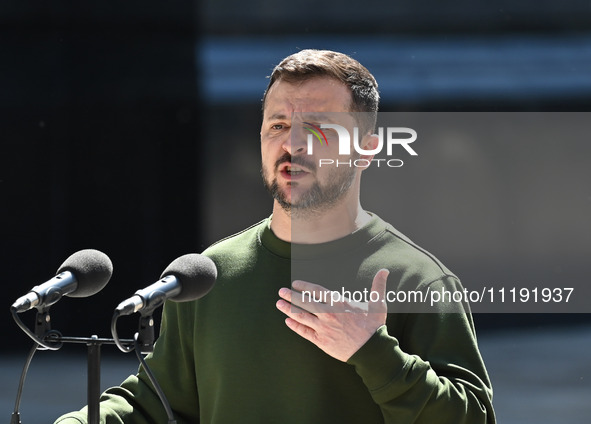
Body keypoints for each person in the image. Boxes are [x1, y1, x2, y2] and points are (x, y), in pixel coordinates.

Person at [55, 49, 495, 423]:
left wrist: (373, 351)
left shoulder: (418, 280)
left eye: (320, 127)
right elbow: (157, 403)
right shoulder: (211, 273)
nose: (293, 144)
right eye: (279, 125)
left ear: (366, 150)